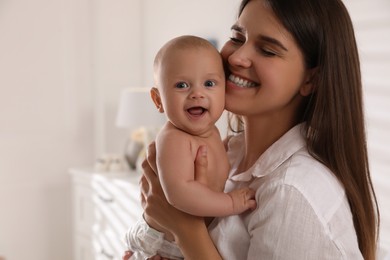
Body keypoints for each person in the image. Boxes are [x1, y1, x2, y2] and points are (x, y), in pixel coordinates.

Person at [124, 0, 381, 259]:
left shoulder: (292, 192)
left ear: (310, 79)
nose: (236, 57)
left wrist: (184, 227)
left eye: (268, 50)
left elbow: (183, 223)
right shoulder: (231, 152)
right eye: (237, 37)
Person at [123, 35, 256, 260]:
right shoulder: (174, 139)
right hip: (163, 245)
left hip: (183, 240)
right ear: (158, 100)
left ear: (225, 89)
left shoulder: (214, 134)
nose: (197, 93)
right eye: (181, 85)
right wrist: (231, 203)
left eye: (209, 83)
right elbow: (179, 194)